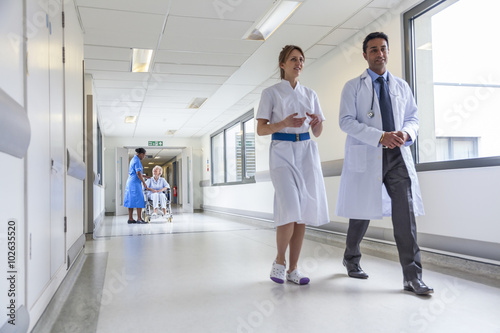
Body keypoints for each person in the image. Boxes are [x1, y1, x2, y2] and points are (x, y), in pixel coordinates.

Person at [336, 32, 433, 295]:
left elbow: (413, 118)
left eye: (383, 49)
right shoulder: (353, 86)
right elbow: (346, 121)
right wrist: (379, 136)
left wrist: (406, 133)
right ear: (365, 54)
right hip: (368, 154)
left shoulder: (401, 86)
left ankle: (412, 277)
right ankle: (351, 258)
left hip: (398, 156)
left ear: (388, 52)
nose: (379, 53)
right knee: (361, 212)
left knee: (405, 217)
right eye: (374, 49)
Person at [256, 45, 329, 285]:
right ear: (282, 64)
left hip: (306, 151)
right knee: (289, 207)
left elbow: (317, 132)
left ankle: (294, 269)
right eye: (293, 59)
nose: (298, 63)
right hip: (282, 152)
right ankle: (279, 261)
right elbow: (261, 129)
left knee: (302, 213)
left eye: (301, 59)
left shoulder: (311, 94)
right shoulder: (271, 93)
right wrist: (283, 122)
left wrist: (317, 122)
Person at [124, 148, 150, 224]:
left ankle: (130, 218)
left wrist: (144, 176)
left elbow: (136, 173)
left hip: (130, 182)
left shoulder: (133, 159)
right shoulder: (137, 161)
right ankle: (139, 219)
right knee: (140, 200)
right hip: (135, 183)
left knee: (131, 200)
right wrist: (144, 183)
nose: (144, 157)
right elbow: (138, 174)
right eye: (144, 155)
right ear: (141, 154)